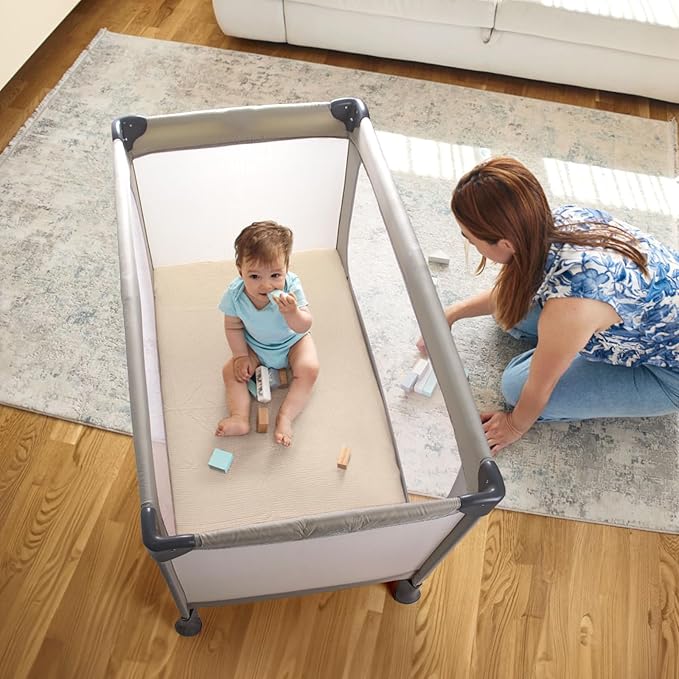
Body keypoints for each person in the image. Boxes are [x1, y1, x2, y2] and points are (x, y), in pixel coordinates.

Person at [418, 156, 679, 454]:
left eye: (471, 239)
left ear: (505, 244)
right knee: (510, 311)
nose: (468, 243)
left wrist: (514, 425)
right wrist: (452, 314)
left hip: (668, 372)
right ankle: (570, 341)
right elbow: (512, 293)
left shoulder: (570, 307)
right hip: (632, 311)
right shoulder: (558, 219)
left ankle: (571, 345)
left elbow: (539, 388)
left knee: (517, 387)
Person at [215, 220, 320, 447]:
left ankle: (286, 417)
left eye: (275, 275)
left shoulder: (291, 287)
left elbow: (304, 326)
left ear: (286, 269)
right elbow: (233, 327)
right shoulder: (234, 295)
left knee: (309, 368)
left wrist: (292, 313)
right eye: (254, 277)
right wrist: (241, 355)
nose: (266, 286)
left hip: (293, 342)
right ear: (240, 271)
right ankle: (240, 417)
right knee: (230, 371)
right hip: (255, 345)